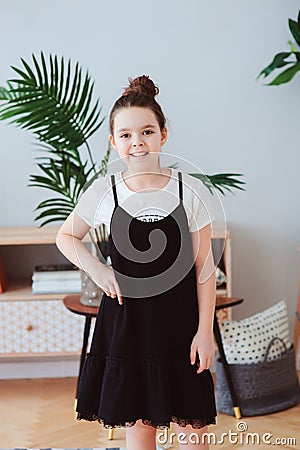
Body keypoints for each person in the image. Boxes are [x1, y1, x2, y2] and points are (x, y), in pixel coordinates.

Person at [56, 75, 217, 450]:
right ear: (114, 142)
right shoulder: (105, 192)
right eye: (125, 135)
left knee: (194, 436)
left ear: (163, 134)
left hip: (181, 329)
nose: (137, 142)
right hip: (127, 329)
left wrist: (205, 332)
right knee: (140, 431)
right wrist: (98, 270)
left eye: (146, 131)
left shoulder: (188, 191)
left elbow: (205, 270)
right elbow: (65, 237)